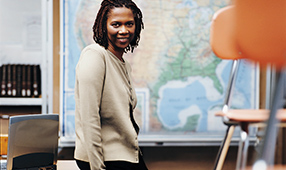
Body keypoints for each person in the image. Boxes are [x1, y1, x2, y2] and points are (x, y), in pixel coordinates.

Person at [74, 0, 147, 170]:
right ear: (103, 26)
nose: (124, 30)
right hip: (103, 159)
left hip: (127, 155)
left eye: (129, 24)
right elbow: (89, 117)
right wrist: (97, 167)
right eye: (116, 24)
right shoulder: (95, 55)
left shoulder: (123, 64)